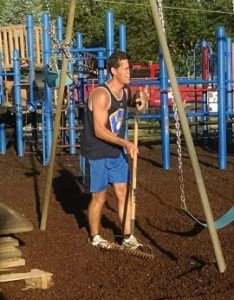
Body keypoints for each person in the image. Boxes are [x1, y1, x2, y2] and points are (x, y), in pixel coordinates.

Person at [80, 51, 148, 250]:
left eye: (129, 68)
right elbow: (99, 130)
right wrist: (125, 143)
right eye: (125, 69)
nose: (129, 72)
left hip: (116, 151)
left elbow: (131, 105)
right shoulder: (101, 95)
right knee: (99, 197)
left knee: (123, 191)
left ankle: (127, 236)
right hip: (96, 152)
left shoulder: (125, 91)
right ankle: (95, 237)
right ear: (113, 70)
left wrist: (139, 101)